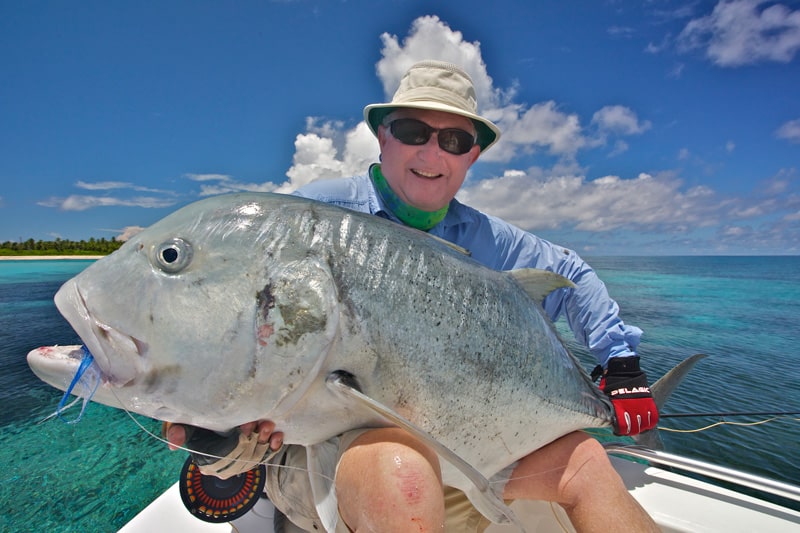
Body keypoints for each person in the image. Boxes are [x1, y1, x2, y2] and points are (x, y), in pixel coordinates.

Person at [166, 60, 659, 532]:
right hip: (331, 448)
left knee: (589, 466)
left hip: (456, 428)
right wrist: (218, 420)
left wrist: (619, 363)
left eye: (454, 140)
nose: (431, 153)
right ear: (383, 137)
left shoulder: (484, 238)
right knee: (401, 471)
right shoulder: (316, 216)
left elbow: (570, 271)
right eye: (411, 132)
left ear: (472, 155)